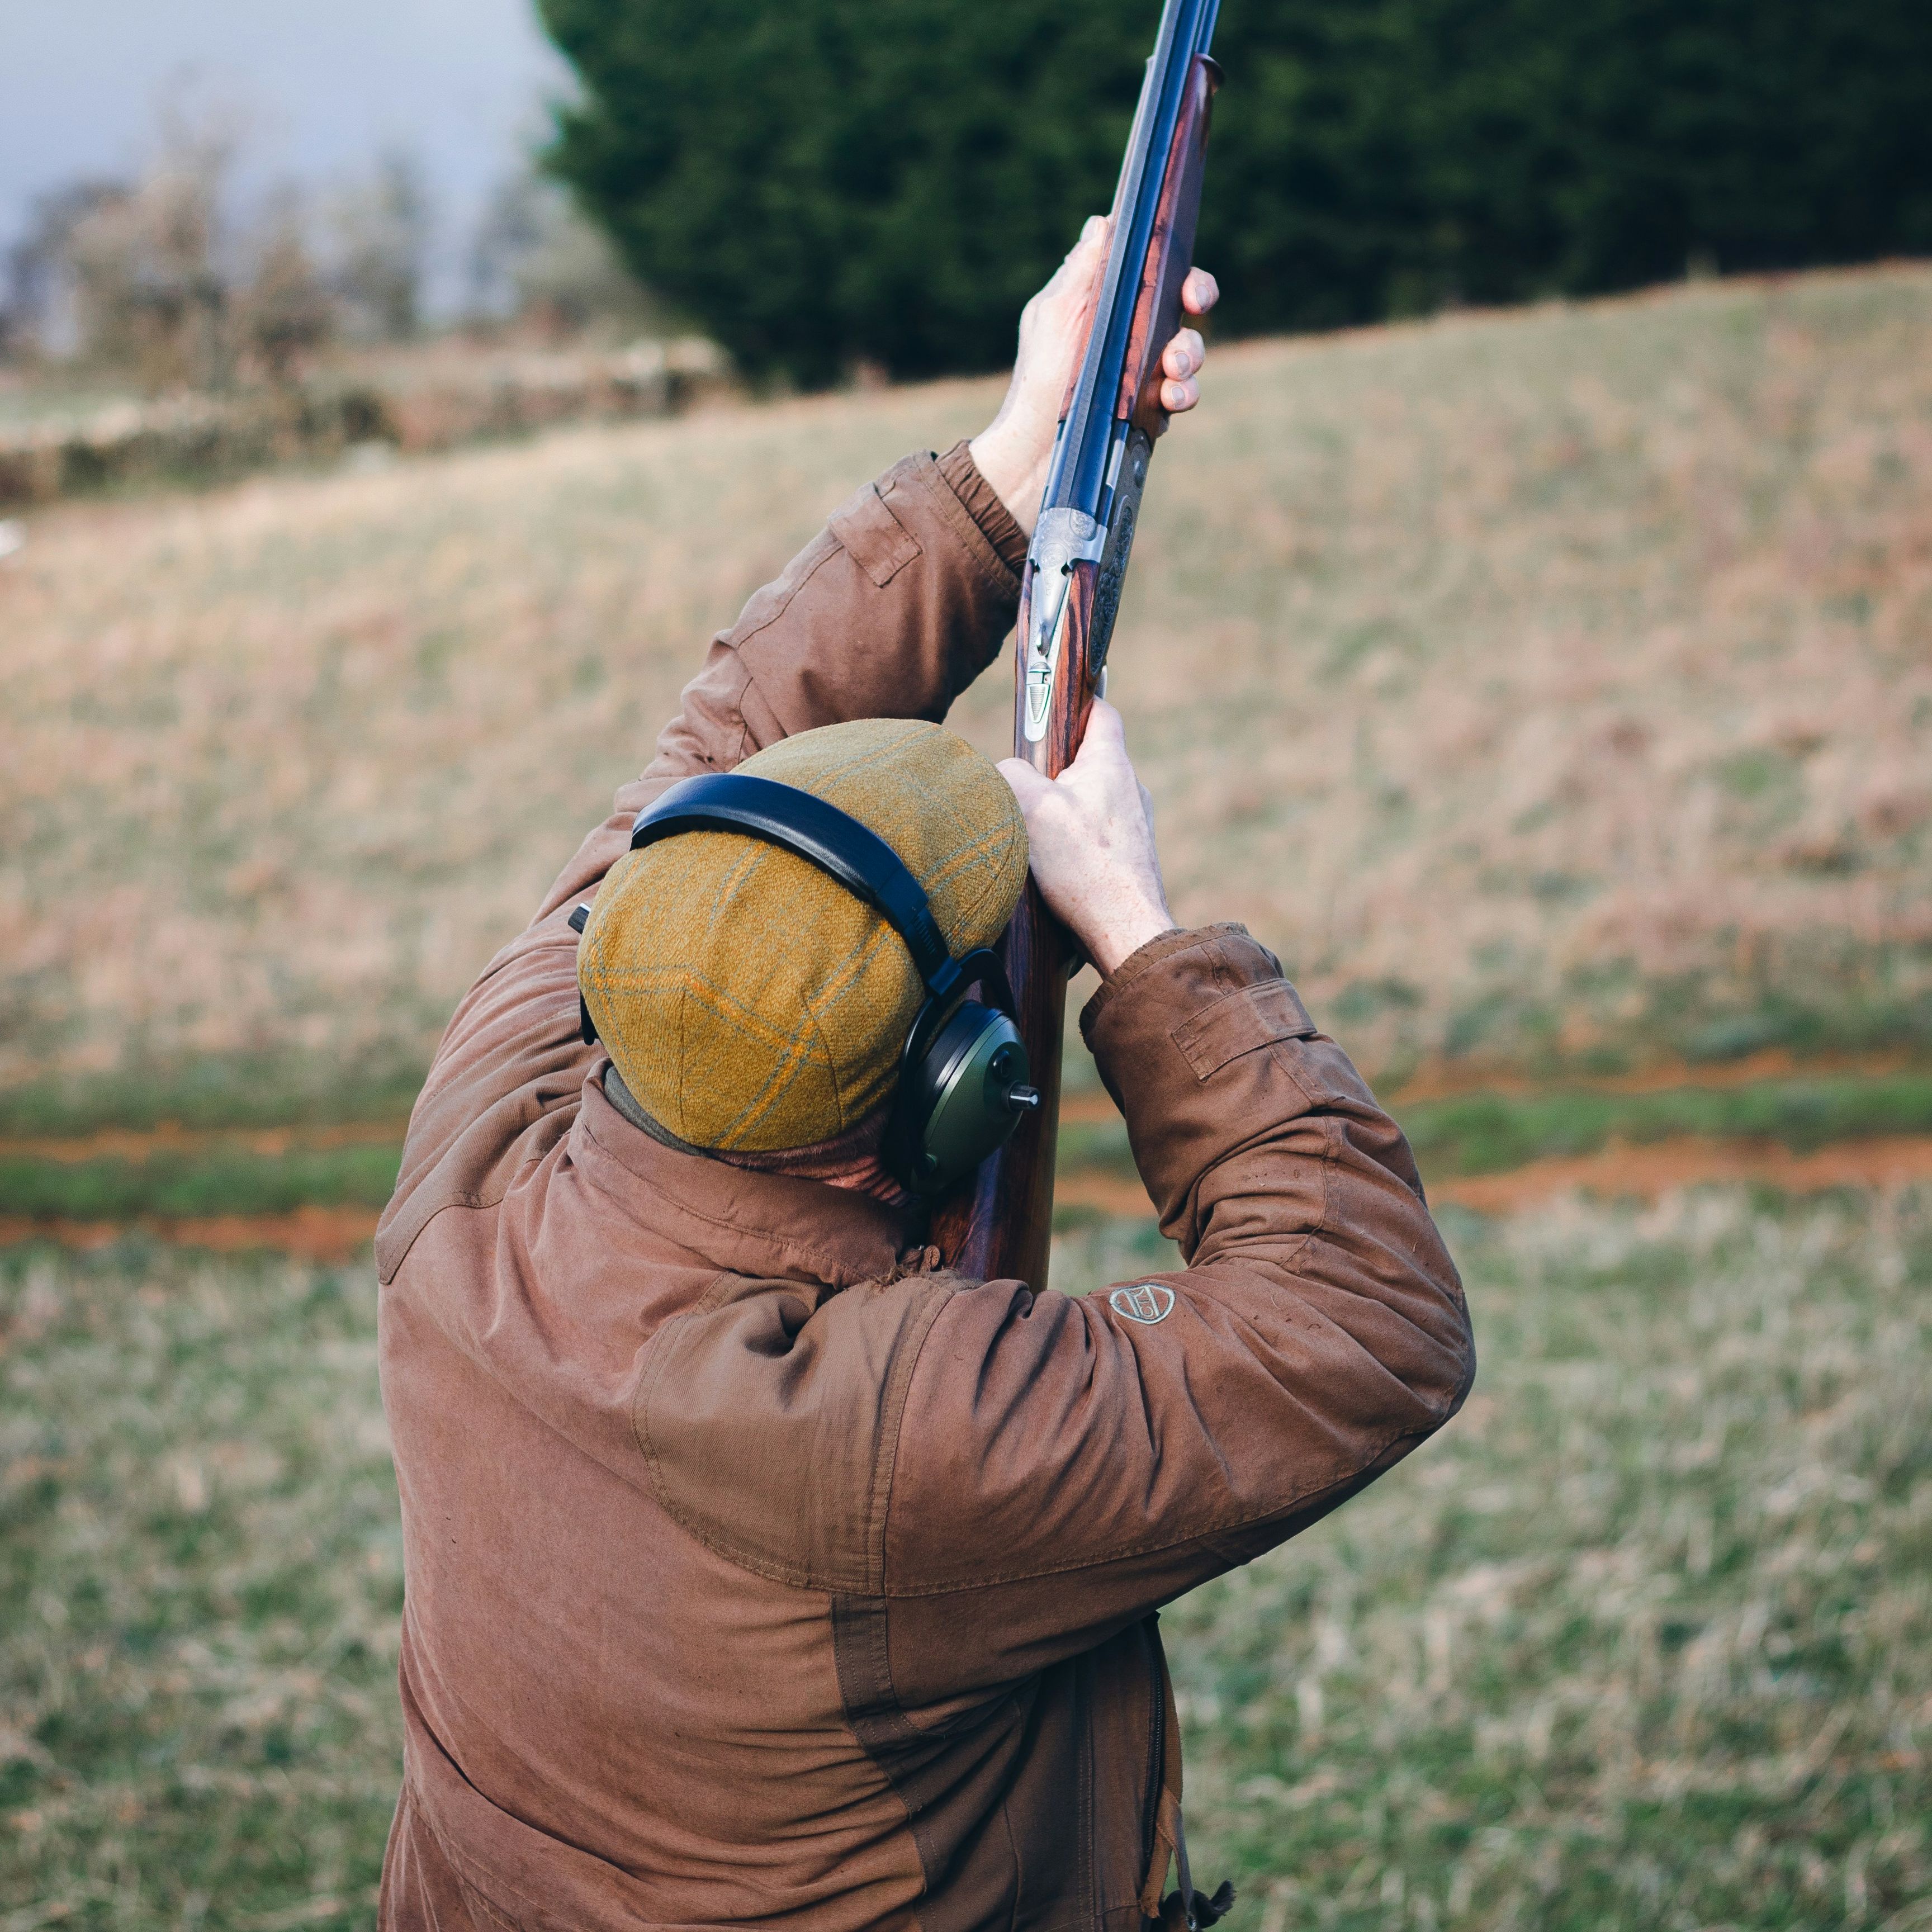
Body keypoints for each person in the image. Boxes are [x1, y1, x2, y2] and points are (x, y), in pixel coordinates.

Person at [375, 216, 1475, 1932]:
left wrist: (1011, 469)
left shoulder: (487, 1138)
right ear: (957, 1083)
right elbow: (1370, 1324)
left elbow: (710, 765)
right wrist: (1139, 934)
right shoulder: (889, 1437)